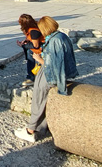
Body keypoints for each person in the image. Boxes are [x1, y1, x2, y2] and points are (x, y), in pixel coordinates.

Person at [14, 15, 78, 143]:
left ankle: (30, 131)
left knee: (39, 100)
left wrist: (39, 59)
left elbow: (55, 64)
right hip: (50, 72)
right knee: (43, 101)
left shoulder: (55, 41)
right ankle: (41, 128)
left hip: (49, 74)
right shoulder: (60, 36)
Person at [16, 14, 39, 87]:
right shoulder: (32, 27)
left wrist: (23, 45)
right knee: (30, 57)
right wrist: (26, 41)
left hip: (40, 49)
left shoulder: (33, 31)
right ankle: (31, 76)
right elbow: (31, 38)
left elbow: (36, 45)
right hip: (35, 47)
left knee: (32, 59)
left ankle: (31, 78)